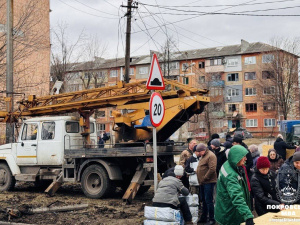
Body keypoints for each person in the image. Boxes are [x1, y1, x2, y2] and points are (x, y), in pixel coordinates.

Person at [215, 145, 254, 225]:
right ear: (237, 157)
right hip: (229, 215)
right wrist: (248, 216)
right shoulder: (231, 175)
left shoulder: (230, 164)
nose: (246, 159)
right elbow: (237, 197)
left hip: (229, 210)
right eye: (243, 157)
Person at [196, 143, 217, 225]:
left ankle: (212, 219)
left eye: (199, 152)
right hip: (203, 182)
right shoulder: (204, 156)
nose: (198, 154)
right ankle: (204, 217)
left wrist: (204, 178)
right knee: (204, 200)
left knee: (209, 201)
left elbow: (212, 169)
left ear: (203, 150)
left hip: (208, 182)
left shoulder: (211, 156)